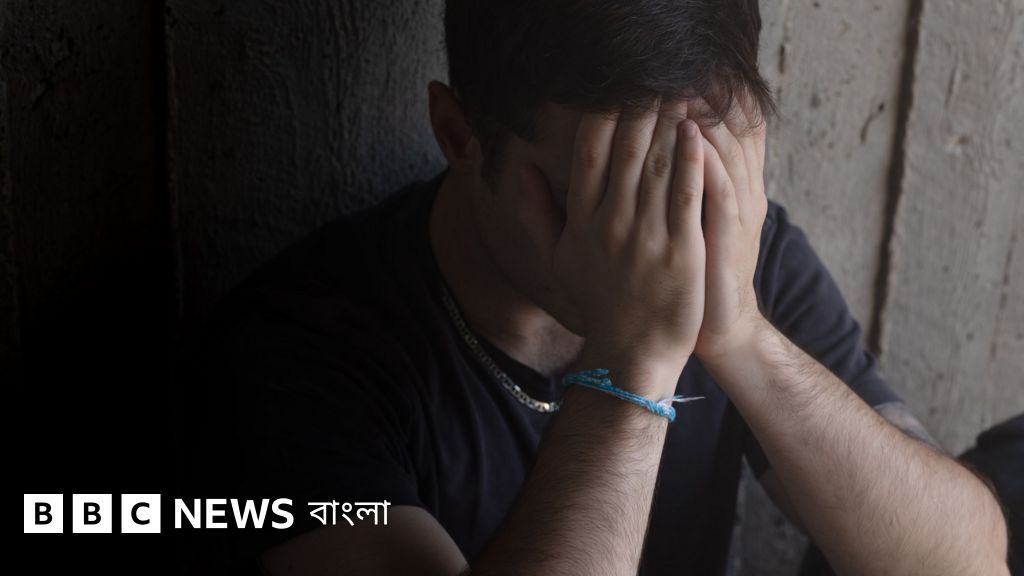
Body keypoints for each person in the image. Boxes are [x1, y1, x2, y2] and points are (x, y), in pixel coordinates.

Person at [177, 1, 1011, 574]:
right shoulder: (294, 356)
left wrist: (741, 335)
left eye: (684, 181)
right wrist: (632, 367)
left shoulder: (735, 253)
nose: (657, 242)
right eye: (599, 194)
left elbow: (968, 563)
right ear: (460, 135)